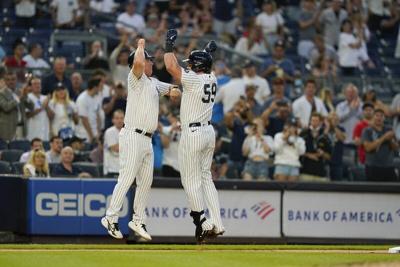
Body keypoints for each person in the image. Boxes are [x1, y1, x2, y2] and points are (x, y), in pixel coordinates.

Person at [102, 38, 180, 241]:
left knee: (146, 181)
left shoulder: (153, 82)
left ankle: (138, 219)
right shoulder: (134, 78)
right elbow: (137, 64)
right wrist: (140, 46)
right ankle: (110, 217)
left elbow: (173, 88)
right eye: (149, 60)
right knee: (127, 178)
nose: (152, 63)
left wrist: (175, 91)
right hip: (132, 135)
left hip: (147, 139)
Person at [164, 29, 225, 242]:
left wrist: (168, 45)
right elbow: (203, 65)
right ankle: (217, 223)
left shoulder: (194, 80)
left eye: (190, 64)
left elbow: (171, 66)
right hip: (209, 131)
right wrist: (207, 51)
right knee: (206, 178)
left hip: (193, 133)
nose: (188, 66)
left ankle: (204, 222)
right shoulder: (213, 78)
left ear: (197, 67)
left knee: (190, 180)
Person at [362, 109, 398, 182]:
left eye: (381, 116)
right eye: (377, 115)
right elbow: (368, 148)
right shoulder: (367, 130)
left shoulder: (389, 129)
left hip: (388, 166)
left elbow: (395, 147)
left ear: (384, 118)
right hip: (372, 167)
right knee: (373, 191)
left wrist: (390, 139)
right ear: (373, 117)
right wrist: (384, 137)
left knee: (391, 191)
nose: (379, 118)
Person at [0, 68, 33, 141]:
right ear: (4, 81)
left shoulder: (19, 91)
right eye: (8, 80)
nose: (11, 82)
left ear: (16, 80)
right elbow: (6, 107)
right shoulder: (1, 94)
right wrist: (19, 97)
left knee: (21, 149)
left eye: (13, 79)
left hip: (21, 128)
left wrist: (25, 96)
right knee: (9, 151)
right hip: (7, 130)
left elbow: (31, 107)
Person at [299, 113, 332, 181]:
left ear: (320, 122)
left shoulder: (325, 135)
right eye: (312, 120)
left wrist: (322, 154)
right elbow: (297, 150)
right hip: (306, 171)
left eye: (316, 120)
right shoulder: (304, 133)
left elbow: (329, 156)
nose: (314, 122)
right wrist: (309, 155)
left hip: (320, 172)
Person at [75, 78, 102, 143]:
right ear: (95, 87)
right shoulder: (82, 99)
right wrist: (91, 136)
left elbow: (97, 115)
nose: (101, 89)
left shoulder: (97, 97)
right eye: (100, 87)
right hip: (84, 133)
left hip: (95, 133)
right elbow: (84, 119)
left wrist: (98, 132)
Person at [26, 77, 51, 141]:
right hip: (32, 131)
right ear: (30, 87)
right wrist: (42, 106)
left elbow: (52, 116)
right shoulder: (28, 97)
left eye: (39, 84)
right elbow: (27, 115)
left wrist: (47, 106)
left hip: (45, 131)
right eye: (35, 84)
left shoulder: (45, 98)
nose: (37, 86)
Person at [325, 113, 346, 181]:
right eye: (332, 119)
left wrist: (334, 127)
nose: (334, 120)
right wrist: (328, 126)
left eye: (336, 119)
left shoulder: (341, 129)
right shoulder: (324, 129)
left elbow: (342, 138)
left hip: (337, 161)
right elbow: (322, 138)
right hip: (326, 161)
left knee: (338, 184)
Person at [103, 110, 124, 177]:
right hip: (112, 169)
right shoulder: (109, 132)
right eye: (117, 118)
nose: (119, 120)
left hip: (124, 169)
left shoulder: (127, 132)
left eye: (121, 118)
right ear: (113, 120)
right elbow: (116, 148)